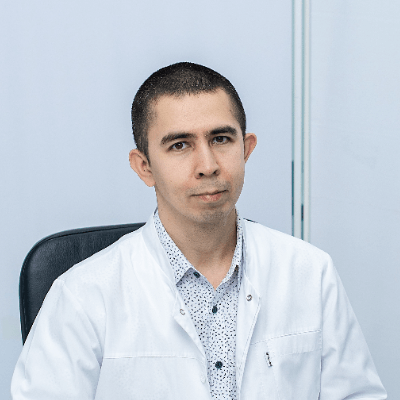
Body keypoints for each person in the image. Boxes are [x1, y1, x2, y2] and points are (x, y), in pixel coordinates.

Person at [11, 62, 386, 399]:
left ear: (246, 149)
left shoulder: (310, 273)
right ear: (144, 167)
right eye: (180, 145)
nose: (207, 165)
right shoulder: (81, 297)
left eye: (221, 139)